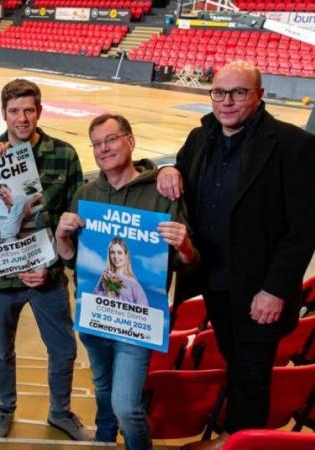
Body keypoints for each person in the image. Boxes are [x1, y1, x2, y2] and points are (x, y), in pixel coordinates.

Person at [156, 61, 315, 450]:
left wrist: (275, 290)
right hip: (214, 278)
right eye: (219, 92)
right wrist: (169, 170)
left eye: (238, 92)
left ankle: (240, 442)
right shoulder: (201, 136)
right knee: (233, 358)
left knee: (252, 372)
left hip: (259, 290)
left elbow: (304, 229)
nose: (227, 102)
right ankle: (236, 436)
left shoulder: (292, 145)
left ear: (259, 95)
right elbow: (182, 170)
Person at [55, 113, 197, 450]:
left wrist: (186, 244)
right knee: (103, 390)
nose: (104, 149)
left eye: (111, 139)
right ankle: (105, 439)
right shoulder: (85, 194)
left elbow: (188, 264)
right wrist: (62, 236)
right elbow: (71, 258)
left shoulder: (163, 193)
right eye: (97, 144)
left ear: (130, 141)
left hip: (138, 321)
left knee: (127, 406)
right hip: (94, 315)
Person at [0, 79, 87, 440]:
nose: (22, 118)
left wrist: (50, 264)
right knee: (1, 349)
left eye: (28, 110)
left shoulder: (65, 154)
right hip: (2, 279)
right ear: (3, 113)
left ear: (39, 110)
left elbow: (75, 219)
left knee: (64, 350)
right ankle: (4, 409)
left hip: (47, 275)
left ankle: (61, 412)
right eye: (14, 111)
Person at [95, 238, 148, 307]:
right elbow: (95, 296)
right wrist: (106, 294)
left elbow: (144, 308)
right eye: (112, 252)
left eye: (119, 253)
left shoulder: (133, 283)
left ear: (126, 255)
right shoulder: (106, 275)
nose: (116, 256)